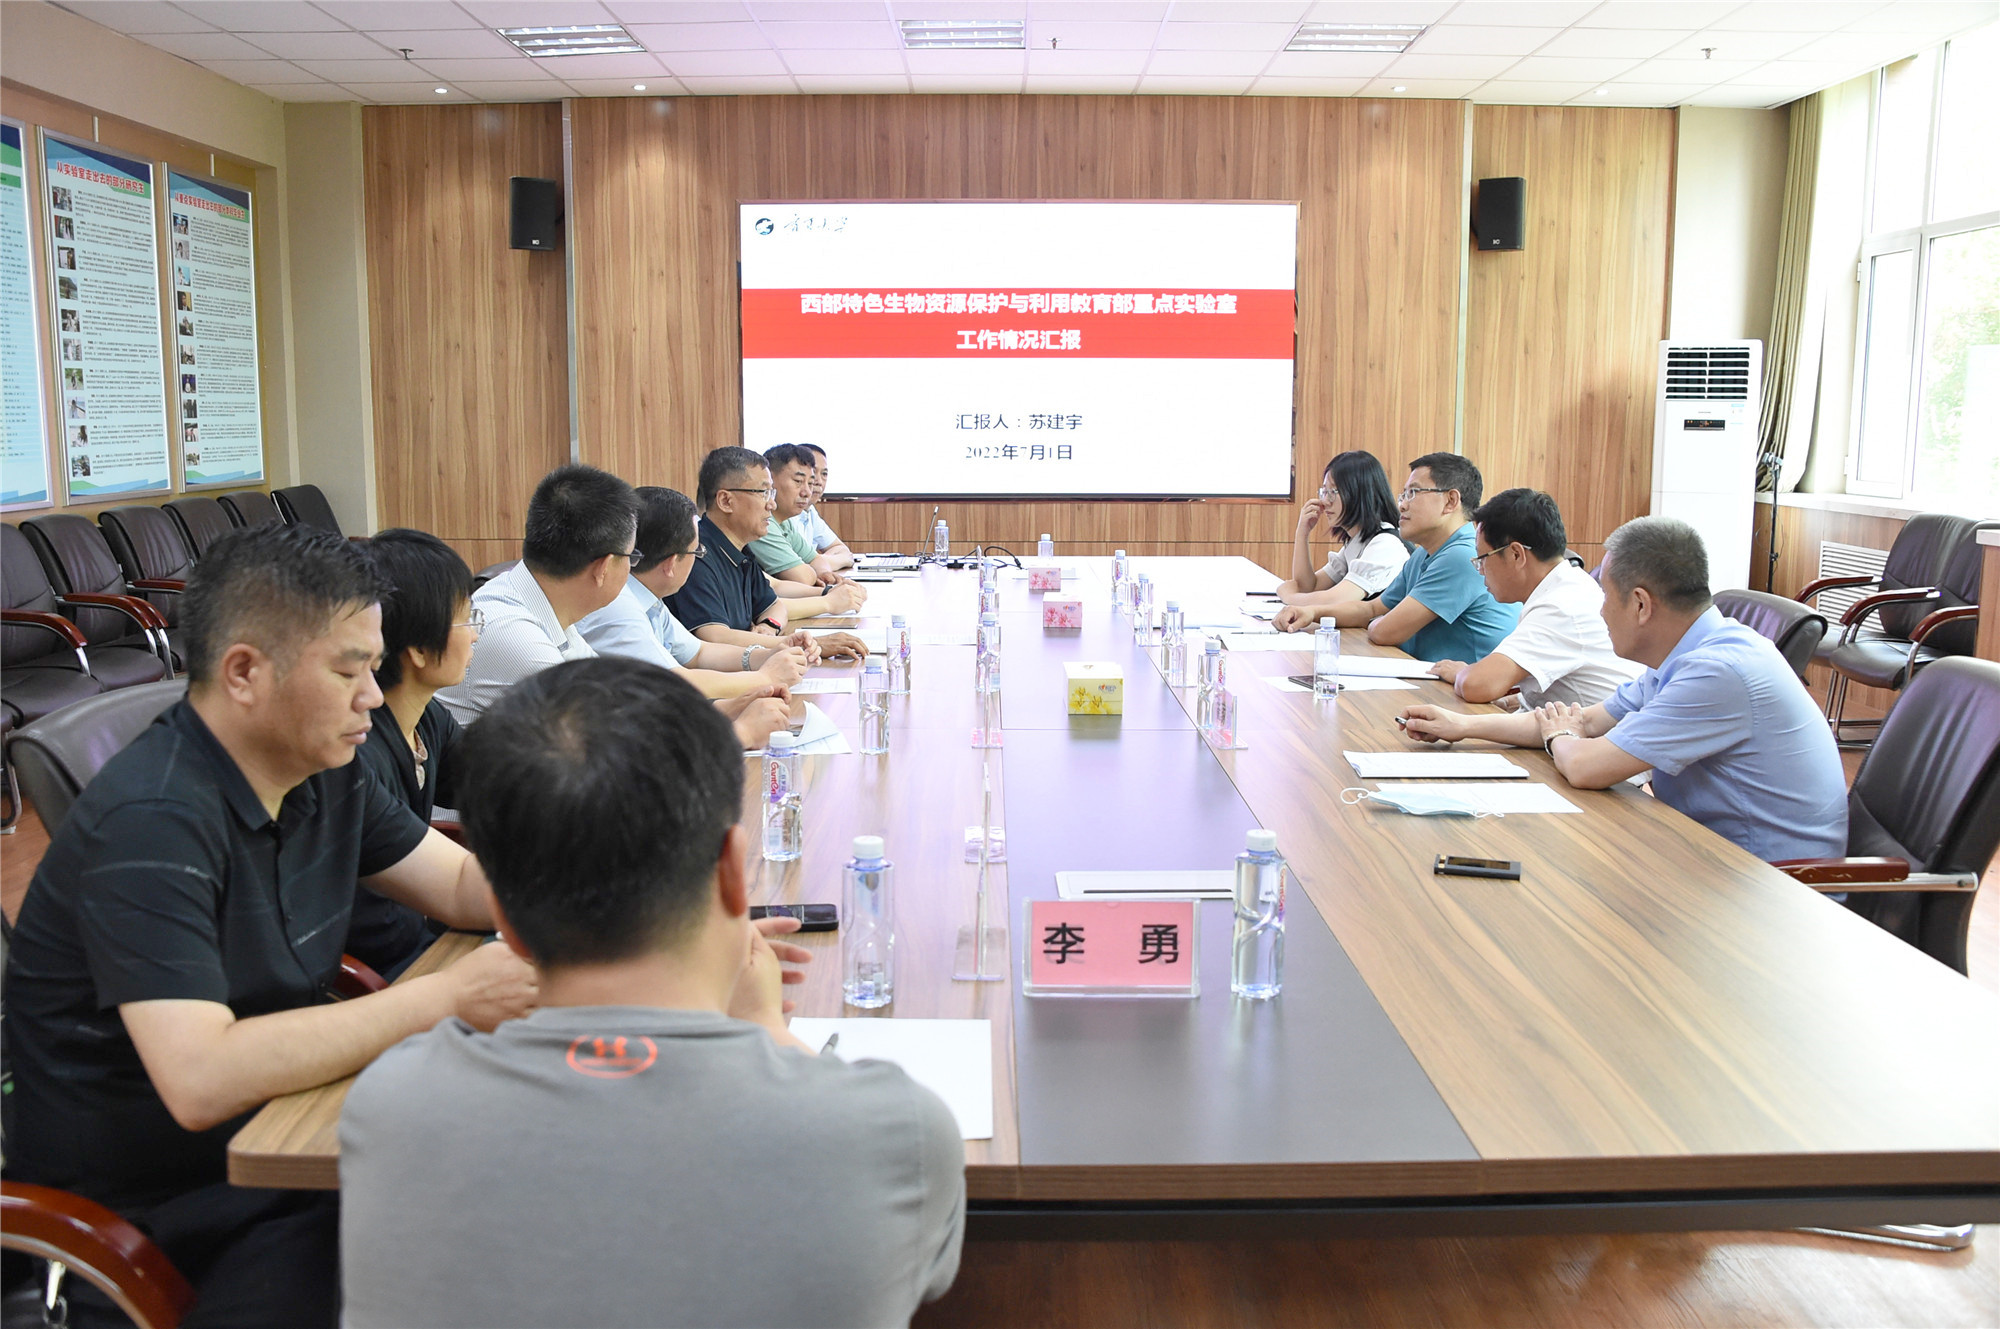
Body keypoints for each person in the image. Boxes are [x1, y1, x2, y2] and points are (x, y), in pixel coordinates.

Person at [2, 523, 537, 1329]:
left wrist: (634, 887)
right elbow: (201, 1076)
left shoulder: (320, 766)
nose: (372, 695)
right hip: (166, 1215)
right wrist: (444, 998)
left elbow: (462, 887)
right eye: (349, 670)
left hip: (286, 1138)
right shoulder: (151, 820)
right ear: (245, 671)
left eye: (373, 666)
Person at [339, 658, 966, 1328]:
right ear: (734, 873)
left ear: (507, 921)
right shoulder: (897, 1130)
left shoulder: (391, 1108)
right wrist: (768, 1031)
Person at [1398, 516, 1848, 862]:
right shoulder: (1689, 652)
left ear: (1640, 604)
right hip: (1704, 853)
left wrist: (1561, 736)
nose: (1600, 613)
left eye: (1606, 599)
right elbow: (1586, 722)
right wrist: (1462, 726)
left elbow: (1585, 765)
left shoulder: (1718, 672)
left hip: (1771, 886)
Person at [577, 485, 804, 747]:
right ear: (671, 563)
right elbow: (674, 683)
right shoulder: (618, 604)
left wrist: (768, 654)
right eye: (697, 553)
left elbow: (698, 653)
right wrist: (764, 678)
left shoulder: (647, 595)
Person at [350, 529, 479, 978]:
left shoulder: (427, 716)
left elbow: (493, 781)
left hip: (429, 931)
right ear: (420, 649)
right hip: (390, 968)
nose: (475, 636)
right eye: (467, 619)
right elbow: (378, 928)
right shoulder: (355, 753)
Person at [437, 464, 637, 723]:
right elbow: (611, 726)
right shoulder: (517, 639)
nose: (631, 566)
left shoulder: (537, 599)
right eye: (631, 556)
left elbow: (612, 689)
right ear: (604, 567)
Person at [1283, 452, 1517, 663]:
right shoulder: (1424, 553)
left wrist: (1378, 621)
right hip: (1432, 678)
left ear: (1450, 501)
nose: (1402, 505)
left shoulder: (1461, 556)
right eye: (1403, 494)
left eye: (1413, 493)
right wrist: (1313, 613)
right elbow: (1371, 610)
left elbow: (1384, 631)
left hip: (1465, 691)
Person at [1423, 488, 1641, 709]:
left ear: (1516, 554)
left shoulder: (1561, 605)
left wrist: (1463, 672)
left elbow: (1477, 685)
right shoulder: (1567, 585)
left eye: (1482, 558)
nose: (1480, 570)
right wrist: (1507, 701)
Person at [670, 446, 869, 657]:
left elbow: (774, 606)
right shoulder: (696, 554)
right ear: (726, 501)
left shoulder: (740, 551)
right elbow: (715, 637)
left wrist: (769, 626)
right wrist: (807, 644)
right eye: (763, 493)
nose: (772, 504)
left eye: (771, 493)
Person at [1273, 450, 1408, 616]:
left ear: (1359, 493)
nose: (1324, 501)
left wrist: (1289, 597)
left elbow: (1334, 601)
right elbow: (1309, 587)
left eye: (1332, 492)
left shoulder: (1385, 544)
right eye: (1324, 491)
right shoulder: (1358, 541)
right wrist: (1302, 533)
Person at [751, 444, 849, 586]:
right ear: (769, 480)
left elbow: (816, 560)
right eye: (798, 481)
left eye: (810, 483)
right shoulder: (761, 521)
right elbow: (802, 578)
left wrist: (823, 573)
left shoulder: (785, 522)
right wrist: (813, 573)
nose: (807, 492)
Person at [794, 442, 854, 569]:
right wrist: (821, 563)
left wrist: (820, 561)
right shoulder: (785, 514)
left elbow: (842, 549)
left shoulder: (810, 511)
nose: (819, 481)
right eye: (813, 473)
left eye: (824, 474)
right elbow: (799, 569)